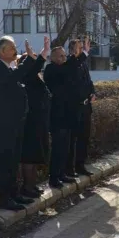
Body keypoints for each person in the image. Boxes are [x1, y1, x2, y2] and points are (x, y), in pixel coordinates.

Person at [0, 36, 49, 211]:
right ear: (2, 51)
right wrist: (28, 59)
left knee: (14, 160)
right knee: (5, 161)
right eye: (12, 48)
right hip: (5, 124)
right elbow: (13, 78)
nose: (15, 50)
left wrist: (37, 56)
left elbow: (22, 74)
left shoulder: (10, 68)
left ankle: (14, 194)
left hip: (17, 122)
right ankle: (4, 198)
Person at [19, 53, 50, 198]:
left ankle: (33, 184)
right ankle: (27, 186)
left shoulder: (36, 77)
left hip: (39, 121)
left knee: (37, 155)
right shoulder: (26, 76)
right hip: (29, 122)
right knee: (28, 156)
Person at [43, 46, 74, 188]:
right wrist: (78, 57)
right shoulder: (50, 69)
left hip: (67, 115)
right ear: (53, 57)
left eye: (64, 56)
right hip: (56, 117)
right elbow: (64, 71)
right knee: (57, 148)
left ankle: (62, 173)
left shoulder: (65, 70)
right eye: (60, 56)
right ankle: (54, 177)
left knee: (65, 147)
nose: (63, 58)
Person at [66, 37, 96, 178]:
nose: (82, 49)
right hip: (74, 108)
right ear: (72, 49)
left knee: (84, 138)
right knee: (72, 140)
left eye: (82, 47)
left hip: (85, 107)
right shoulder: (69, 63)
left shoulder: (83, 64)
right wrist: (84, 53)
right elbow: (73, 70)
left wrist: (93, 93)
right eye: (79, 47)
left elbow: (88, 81)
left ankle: (80, 165)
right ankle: (69, 169)